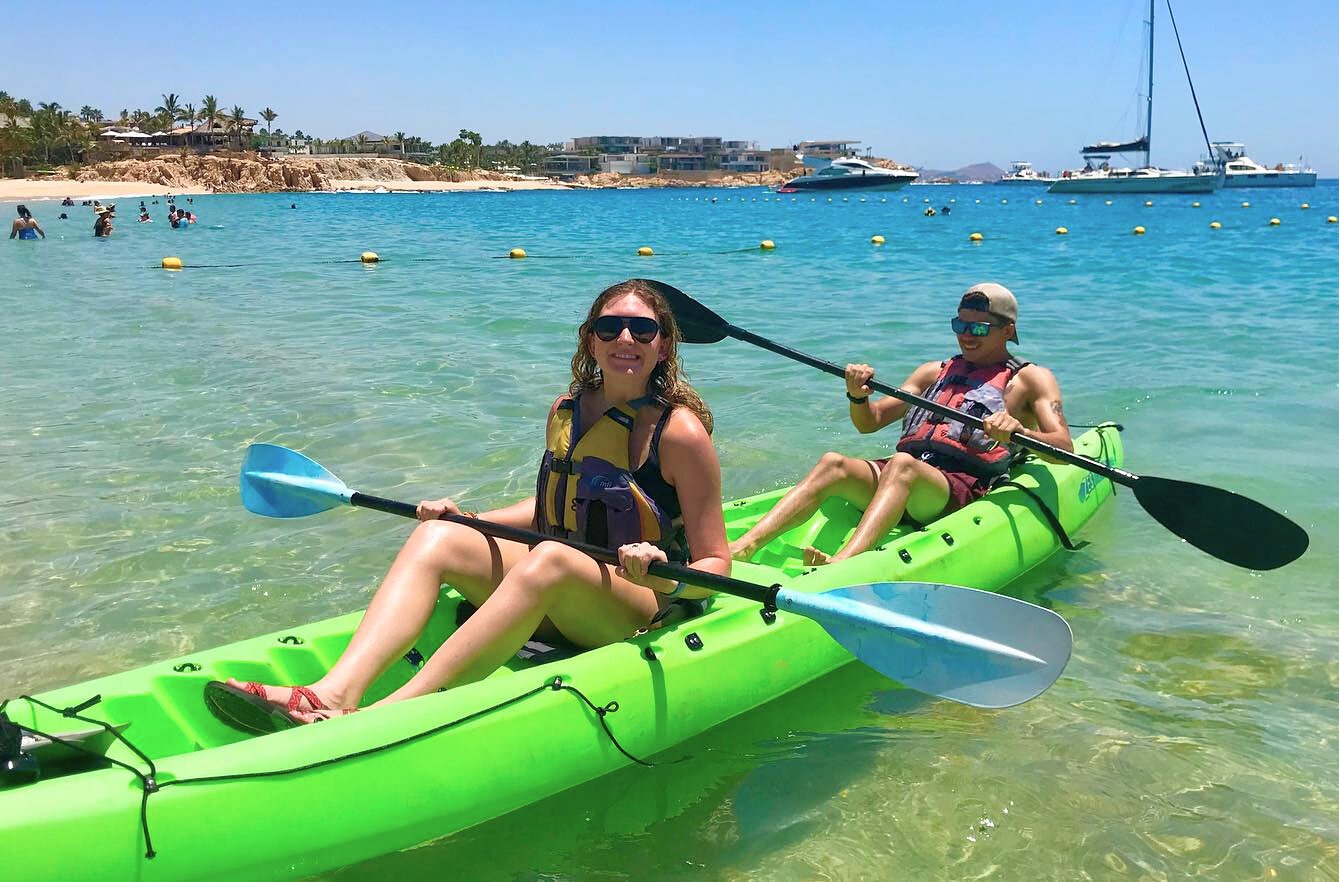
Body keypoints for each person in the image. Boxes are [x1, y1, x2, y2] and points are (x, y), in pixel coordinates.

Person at [205, 279, 731, 731]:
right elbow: (555, 504)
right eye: (610, 326)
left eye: (642, 331)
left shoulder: (678, 432)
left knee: (549, 559)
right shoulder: (567, 409)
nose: (625, 339)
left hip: (633, 607)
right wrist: (472, 522)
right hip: (556, 595)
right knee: (438, 536)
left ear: (663, 348)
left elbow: (716, 561)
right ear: (589, 340)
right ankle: (332, 694)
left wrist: (661, 573)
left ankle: (393, 713)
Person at [729, 283, 1073, 567]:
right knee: (833, 463)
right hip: (907, 474)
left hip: (958, 487)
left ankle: (842, 564)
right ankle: (744, 546)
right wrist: (857, 395)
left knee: (902, 465)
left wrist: (1019, 433)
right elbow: (871, 422)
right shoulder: (932, 372)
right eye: (960, 326)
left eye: (979, 328)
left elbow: (1064, 448)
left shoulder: (1030, 379)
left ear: (1007, 330)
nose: (966, 336)